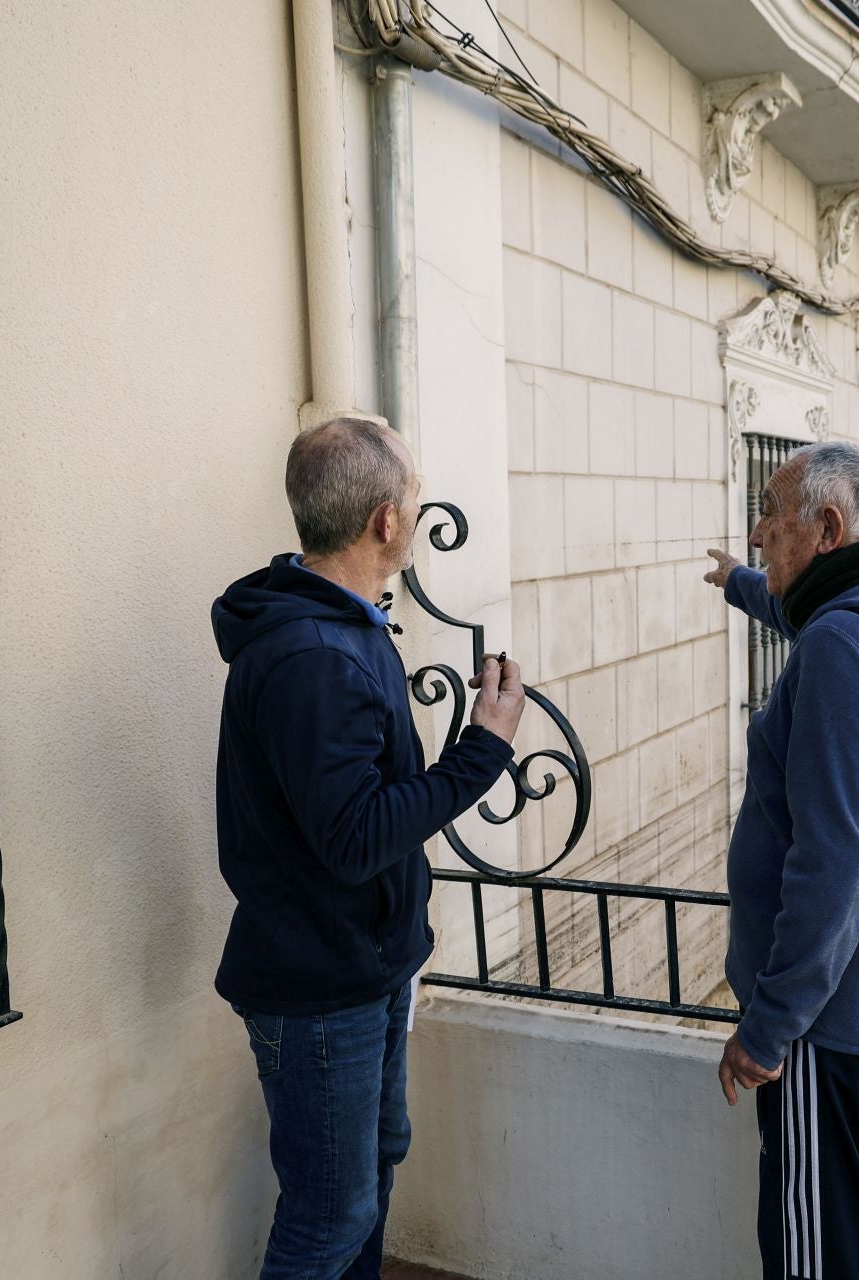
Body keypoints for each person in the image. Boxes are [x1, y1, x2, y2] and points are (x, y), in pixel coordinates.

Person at [212, 417, 526, 1278]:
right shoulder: (317, 653)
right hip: (321, 988)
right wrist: (485, 746)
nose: (419, 518)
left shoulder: (343, 625)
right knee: (327, 1218)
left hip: (365, 965)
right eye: (415, 503)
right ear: (386, 521)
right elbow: (354, 840)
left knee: (374, 1167)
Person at [703, 440, 859, 1280]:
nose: (759, 531)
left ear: (828, 527)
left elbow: (834, 862)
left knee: (823, 1264)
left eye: (771, 518)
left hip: (830, 1029)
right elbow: (810, 612)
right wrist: (742, 584)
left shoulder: (841, 645)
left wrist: (768, 1030)